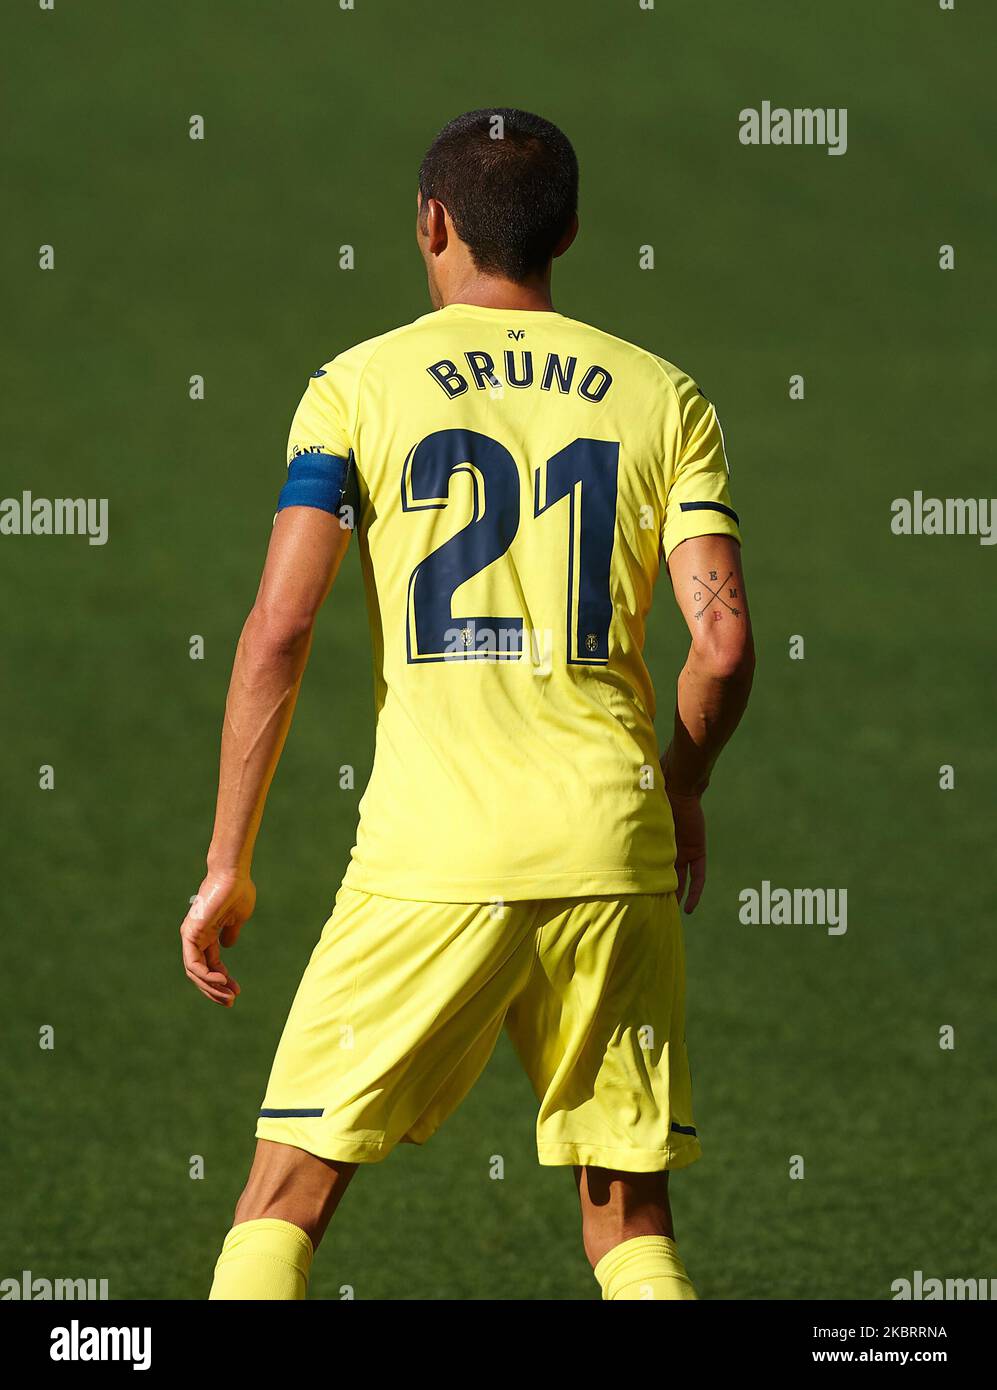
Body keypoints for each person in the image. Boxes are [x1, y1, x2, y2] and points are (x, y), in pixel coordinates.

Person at [180, 107, 755, 1301]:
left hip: (429, 852)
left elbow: (279, 627)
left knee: (282, 1197)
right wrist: (681, 785)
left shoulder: (353, 388)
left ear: (432, 222)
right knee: (629, 1223)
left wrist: (227, 860)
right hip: (611, 839)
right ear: (571, 232)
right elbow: (722, 638)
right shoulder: (664, 395)